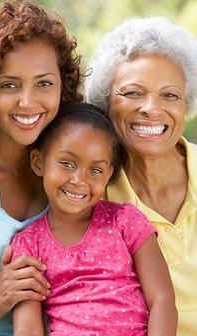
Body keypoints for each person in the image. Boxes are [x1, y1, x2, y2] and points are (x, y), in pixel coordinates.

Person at [0, 1, 82, 335]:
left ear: (63, 86)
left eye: (43, 83)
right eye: (9, 85)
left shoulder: (71, 174)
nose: (28, 102)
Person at [11, 102, 177, 336]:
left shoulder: (125, 221)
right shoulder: (29, 245)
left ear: (108, 174)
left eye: (95, 170)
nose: (79, 180)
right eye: (67, 164)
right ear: (39, 162)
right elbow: (27, 328)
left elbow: (162, 299)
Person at [84, 16, 197, 336]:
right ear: (106, 102)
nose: (151, 108)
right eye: (133, 93)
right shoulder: (88, 197)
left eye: (169, 95)